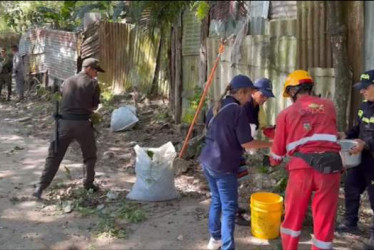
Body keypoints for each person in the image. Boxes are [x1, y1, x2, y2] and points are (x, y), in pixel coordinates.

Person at [270, 70, 343, 250]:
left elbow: (277, 152)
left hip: (301, 170)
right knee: (325, 220)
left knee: (293, 217)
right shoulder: (329, 106)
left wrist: (273, 161)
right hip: (330, 168)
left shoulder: (286, 114)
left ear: (293, 91)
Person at [199, 74, 272, 250]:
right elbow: (247, 143)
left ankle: (215, 238)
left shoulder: (217, 105)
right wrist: (272, 143)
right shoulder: (237, 110)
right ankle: (227, 247)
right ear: (241, 92)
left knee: (217, 200)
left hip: (207, 161)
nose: (249, 99)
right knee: (230, 210)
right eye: (249, 95)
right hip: (223, 166)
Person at [33, 58, 104, 200]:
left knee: (54, 156)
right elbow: (94, 107)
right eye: (96, 70)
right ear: (89, 68)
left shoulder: (67, 81)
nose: (97, 74)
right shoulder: (93, 84)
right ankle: (88, 184)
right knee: (89, 156)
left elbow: (61, 99)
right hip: (82, 124)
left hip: (63, 124)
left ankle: (40, 187)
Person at [337, 70, 374, 248]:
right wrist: (344, 135)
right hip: (361, 158)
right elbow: (357, 129)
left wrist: (366, 144)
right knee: (351, 186)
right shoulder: (363, 107)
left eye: (365, 88)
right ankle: (350, 222)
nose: (362, 91)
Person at [235, 78, 276, 226]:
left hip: (240, 147)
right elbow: (246, 140)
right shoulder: (245, 107)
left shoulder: (256, 107)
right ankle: (232, 214)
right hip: (234, 147)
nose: (264, 99)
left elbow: (260, 128)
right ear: (253, 92)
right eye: (262, 95)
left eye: (267, 96)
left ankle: (234, 208)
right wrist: (271, 144)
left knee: (237, 180)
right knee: (232, 180)